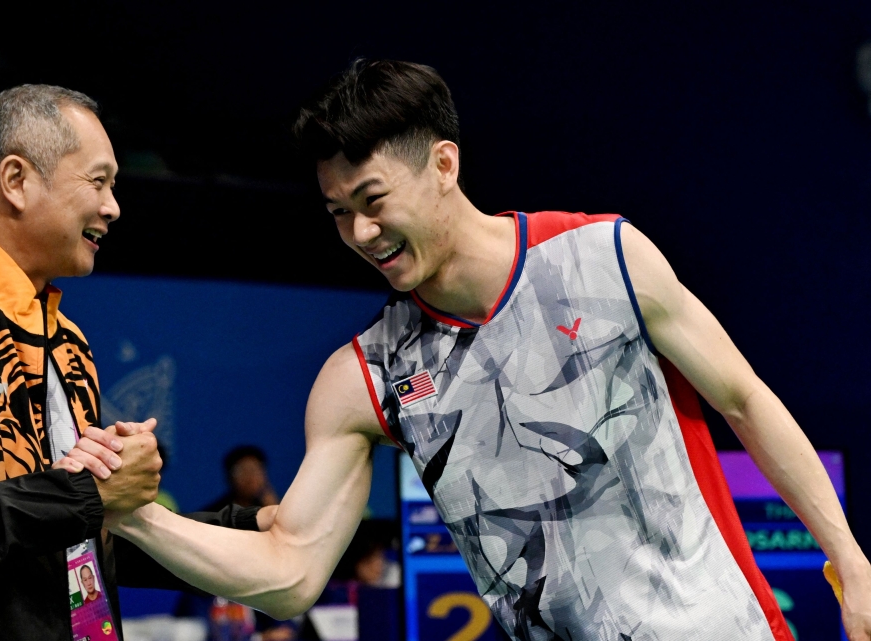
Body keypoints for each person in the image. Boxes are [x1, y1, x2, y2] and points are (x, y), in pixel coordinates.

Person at [91, 60, 871, 640]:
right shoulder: (367, 376)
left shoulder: (605, 258)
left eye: (373, 201)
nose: (360, 234)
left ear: (443, 165)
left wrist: (851, 557)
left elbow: (744, 398)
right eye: (336, 213)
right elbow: (291, 570)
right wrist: (129, 518)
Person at [0, 84, 267, 641]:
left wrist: (253, 527)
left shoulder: (67, 339)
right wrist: (86, 493)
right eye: (98, 181)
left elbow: (77, 539)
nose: (113, 206)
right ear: (16, 181)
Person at [202, 445, 279, 512]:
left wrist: (273, 510)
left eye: (255, 470)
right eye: (243, 471)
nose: (250, 478)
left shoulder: (274, 507)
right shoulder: (215, 515)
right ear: (229, 477)